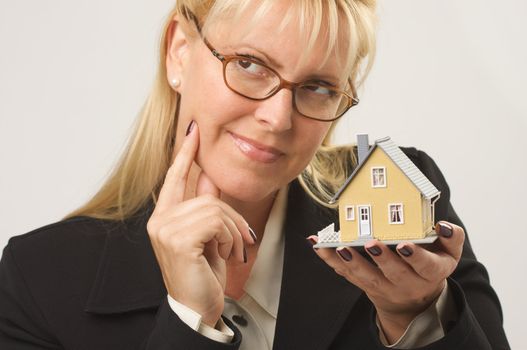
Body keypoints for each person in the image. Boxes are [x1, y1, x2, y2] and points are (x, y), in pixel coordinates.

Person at [0, 0, 510, 349]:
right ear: (179, 50)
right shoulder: (39, 277)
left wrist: (413, 316)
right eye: (249, 64)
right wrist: (190, 323)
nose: (277, 117)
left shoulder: (405, 200)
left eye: (317, 86)